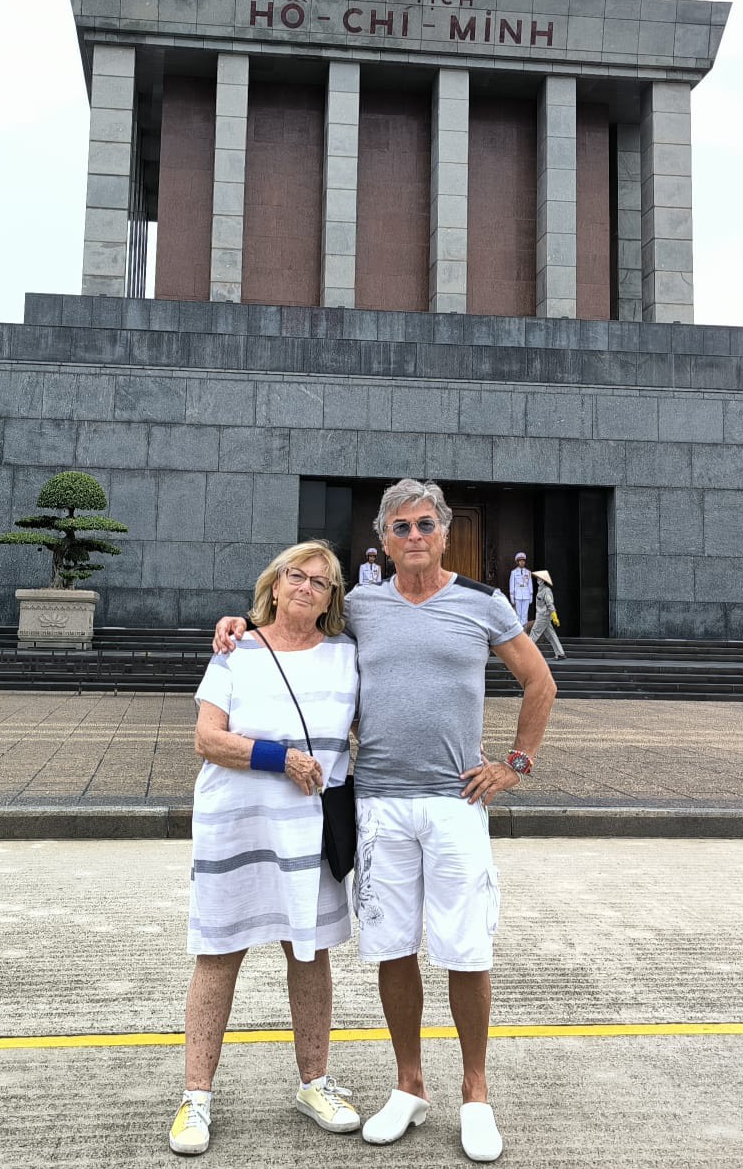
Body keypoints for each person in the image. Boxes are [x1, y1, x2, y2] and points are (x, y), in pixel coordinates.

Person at [215, 479, 557, 1163]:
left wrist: (515, 764)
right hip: (378, 804)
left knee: (466, 950)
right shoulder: (363, 607)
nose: (414, 537)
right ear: (384, 541)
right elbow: (297, 625)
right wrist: (239, 626)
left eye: (425, 525)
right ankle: (409, 1086)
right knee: (393, 948)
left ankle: (476, 1094)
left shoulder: (483, 603)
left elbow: (539, 680)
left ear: (445, 532)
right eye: (400, 528)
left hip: (456, 801)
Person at [172, 540, 362, 1156]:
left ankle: (315, 1083)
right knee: (218, 953)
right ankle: (196, 1097)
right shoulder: (236, 650)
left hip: (311, 834)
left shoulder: (347, 656)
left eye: (321, 582)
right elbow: (207, 738)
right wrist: (281, 758)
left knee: (309, 955)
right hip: (237, 826)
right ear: (274, 586)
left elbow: (378, 727)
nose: (306, 587)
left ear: (332, 599)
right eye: (295, 576)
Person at [527, 569, 565, 661]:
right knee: (551, 635)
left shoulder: (546, 590)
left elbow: (550, 604)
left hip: (543, 616)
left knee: (534, 633)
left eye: (539, 578)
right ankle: (560, 653)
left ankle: (525, 653)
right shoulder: (540, 590)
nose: (537, 580)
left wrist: (554, 616)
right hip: (542, 615)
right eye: (537, 578)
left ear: (543, 580)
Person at [506, 553, 532, 626]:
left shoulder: (528, 572)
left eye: (523, 561)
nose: (522, 562)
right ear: (517, 562)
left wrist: (531, 595)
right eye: (520, 561)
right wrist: (512, 596)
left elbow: (530, 584)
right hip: (517, 595)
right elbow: (512, 584)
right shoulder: (514, 572)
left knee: (525, 614)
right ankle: (519, 630)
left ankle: (524, 629)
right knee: (518, 614)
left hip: (526, 595)